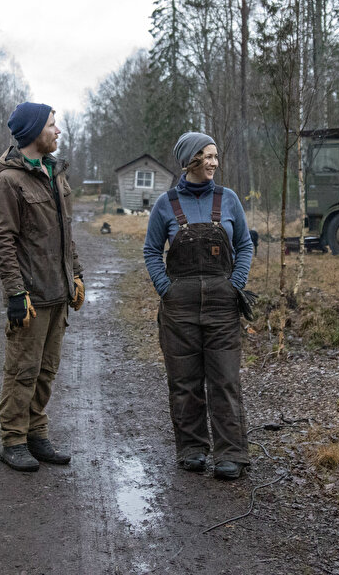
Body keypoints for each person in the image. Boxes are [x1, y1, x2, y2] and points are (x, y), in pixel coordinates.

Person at [143, 132, 254, 480]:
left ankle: (230, 454)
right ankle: (191, 449)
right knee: (185, 381)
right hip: (179, 309)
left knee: (224, 380)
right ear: (190, 159)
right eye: (207, 156)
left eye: (216, 156)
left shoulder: (229, 199)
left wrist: (234, 284)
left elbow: (246, 246)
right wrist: (166, 289)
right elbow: (151, 251)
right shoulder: (166, 203)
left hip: (223, 307)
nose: (214, 163)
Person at [0, 102, 85, 472]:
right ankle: (13, 440)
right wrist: (15, 292)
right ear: (33, 133)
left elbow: (66, 233)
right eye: (51, 124)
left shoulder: (55, 173)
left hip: (58, 291)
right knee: (22, 371)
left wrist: (75, 274)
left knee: (47, 370)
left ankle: (36, 433)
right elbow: (3, 241)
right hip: (30, 296)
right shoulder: (9, 180)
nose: (57, 131)